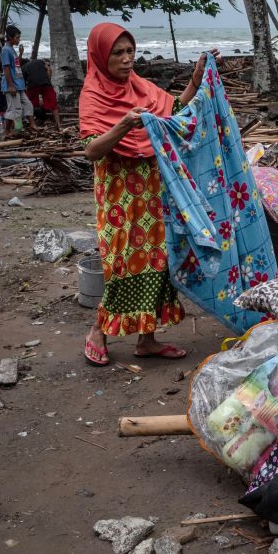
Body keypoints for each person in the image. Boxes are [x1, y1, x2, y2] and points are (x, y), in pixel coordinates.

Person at [79, 22, 219, 366]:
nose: (127, 60)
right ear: (100, 56)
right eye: (118, 53)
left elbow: (174, 111)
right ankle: (98, 332)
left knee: (158, 260)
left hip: (153, 190)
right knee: (121, 263)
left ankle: (148, 338)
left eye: (131, 52)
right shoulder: (93, 95)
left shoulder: (140, 87)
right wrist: (124, 125)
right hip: (119, 196)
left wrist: (195, 81)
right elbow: (92, 150)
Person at [1, 25, 34, 138]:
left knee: (27, 105)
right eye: (17, 37)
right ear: (10, 37)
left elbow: (16, 65)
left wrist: (20, 53)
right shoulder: (5, 50)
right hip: (12, 85)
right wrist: (11, 86)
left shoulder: (12, 49)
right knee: (14, 109)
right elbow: (6, 68)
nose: (19, 39)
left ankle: (30, 126)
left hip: (18, 84)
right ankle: (8, 131)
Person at [23, 56, 60, 130]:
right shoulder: (40, 61)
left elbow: (23, 82)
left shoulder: (23, 67)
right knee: (53, 104)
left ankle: (33, 125)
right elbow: (49, 69)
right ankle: (58, 123)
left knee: (29, 104)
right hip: (46, 83)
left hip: (33, 85)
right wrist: (48, 80)